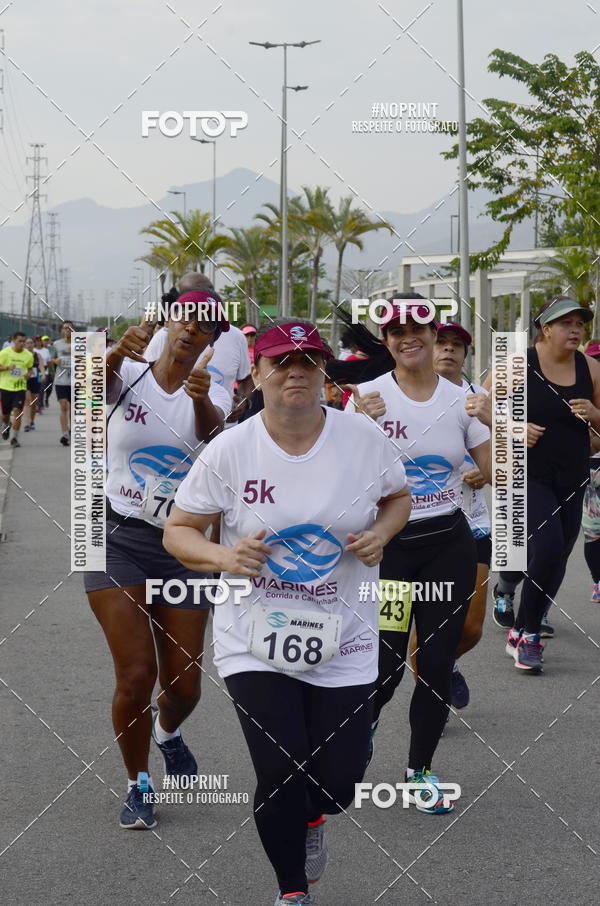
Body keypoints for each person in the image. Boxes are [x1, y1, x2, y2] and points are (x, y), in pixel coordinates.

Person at [164, 318, 411, 906]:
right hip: (254, 635)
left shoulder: (362, 439)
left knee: (336, 785)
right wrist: (225, 554)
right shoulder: (231, 447)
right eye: (281, 361)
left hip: (346, 636)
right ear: (258, 372)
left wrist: (380, 532)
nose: (295, 371)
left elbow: (398, 496)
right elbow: (178, 530)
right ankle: (292, 892)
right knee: (281, 775)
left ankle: (315, 818)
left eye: (308, 361)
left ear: (325, 371)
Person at [85, 291, 231, 830]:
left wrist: (198, 397)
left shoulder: (210, 391)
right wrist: (115, 354)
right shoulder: (131, 372)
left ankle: (169, 733)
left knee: (185, 684)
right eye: (186, 318)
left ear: (215, 341)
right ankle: (137, 784)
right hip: (115, 537)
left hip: (182, 548)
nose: (193, 330)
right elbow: (88, 393)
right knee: (136, 672)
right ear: (171, 320)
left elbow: (211, 435)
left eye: (206, 327)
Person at [345, 297, 491, 810]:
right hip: (391, 549)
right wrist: (356, 424)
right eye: (397, 331)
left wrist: (495, 419)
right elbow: (342, 475)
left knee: (434, 663)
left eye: (419, 328)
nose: (410, 337)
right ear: (385, 342)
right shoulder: (367, 397)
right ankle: (361, 732)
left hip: (447, 544)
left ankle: (420, 771)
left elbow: (496, 470)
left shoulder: (463, 398)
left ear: (434, 336)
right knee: (383, 666)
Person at [494, 297, 600, 671]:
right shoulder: (521, 363)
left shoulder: (590, 368)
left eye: (580, 324)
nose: (575, 330)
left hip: (573, 477)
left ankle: (523, 628)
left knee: (556, 562)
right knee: (549, 548)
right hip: (528, 476)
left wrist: (595, 414)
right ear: (546, 328)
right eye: (566, 323)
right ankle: (532, 638)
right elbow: (478, 406)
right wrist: (514, 428)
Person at [146, 273, 254, 423]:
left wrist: (244, 402)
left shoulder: (236, 336)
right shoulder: (163, 338)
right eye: (195, 293)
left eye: (208, 289)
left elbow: (246, 379)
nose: (203, 296)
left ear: (213, 338)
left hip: (224, 431)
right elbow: (143, 382)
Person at [0, 331, 34, 447]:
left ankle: (14, 438)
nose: (22, 343)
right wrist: (7, 367)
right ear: (14, 341)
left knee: (17, 412)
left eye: (24, 341)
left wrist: (29, 374)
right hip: (5, 388)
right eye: (19, 341)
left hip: (20, 388)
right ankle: (6, 424)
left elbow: (30, 368)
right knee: (5, 415)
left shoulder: (28, 355)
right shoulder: (4, 353)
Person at [51, 321, 73, 445]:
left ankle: (73, 431)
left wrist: (75, 353)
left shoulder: (80, 344)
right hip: (61, 381)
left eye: (70, 328)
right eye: (65, 328)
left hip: (76, 381)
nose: (68, 331)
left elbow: (88, 360)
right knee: (63, 406)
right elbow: (52, 358)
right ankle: (65, 433)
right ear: (62, 331)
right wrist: (56, 361)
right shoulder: (56, 344)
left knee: (73, 409)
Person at [23, 337, 45, 432]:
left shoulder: (37, 355)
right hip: (25, 380)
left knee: (33, 403)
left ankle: (32, 421)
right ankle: (27, 424)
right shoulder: (22, 355)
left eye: (31, 343)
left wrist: (43, 374)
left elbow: (41, 366)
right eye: (27, 343)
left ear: (34, 344)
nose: (29, 345)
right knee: (27, 401)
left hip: (35, 380)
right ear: (25, 345)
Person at [40, 336, 54, 407]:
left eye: (47, 340)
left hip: (51, 369)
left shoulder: (52, 348)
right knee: (42, 387)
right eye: (44, 340)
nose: (46, 342)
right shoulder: (39, 350)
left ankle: (46, 398)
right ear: (41, 341)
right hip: (43, 371)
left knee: (49, 387)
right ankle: (40, 402)